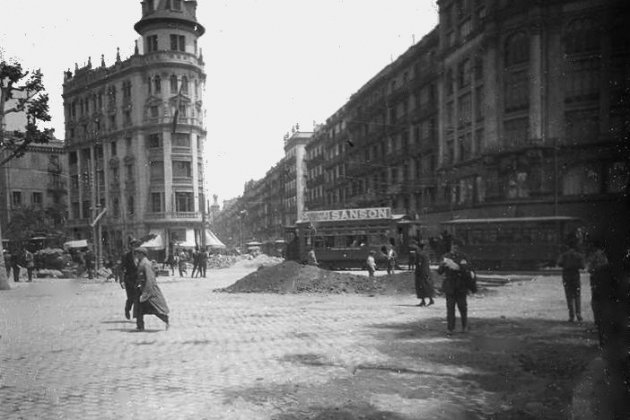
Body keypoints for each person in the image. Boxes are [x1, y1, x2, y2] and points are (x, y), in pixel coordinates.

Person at [437, 238, 474, 335]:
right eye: (453, 246)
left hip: (461, 285)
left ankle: (464, 326)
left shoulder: (464, 257)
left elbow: (469, 269)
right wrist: (443, 265)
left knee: (462, 307)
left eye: (456, 247)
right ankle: (450, 328)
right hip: (450, 286)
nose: (454, 248)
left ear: (459, 248)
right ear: (451, 247)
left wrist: (459, 267)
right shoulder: (445, 256)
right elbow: (440, 272)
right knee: (450, 308)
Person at [134, 247, 170, 331]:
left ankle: (165, 319)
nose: (136, 255)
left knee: (154, 307)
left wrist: (146, 292)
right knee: (139, 308)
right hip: (142, 288)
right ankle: (140, 326)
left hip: (148, 289)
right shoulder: (141, 262)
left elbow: (150, 278)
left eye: (138, 253)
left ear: (142, 254)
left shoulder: (146, 263)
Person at [586, 239, 613, 348]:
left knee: (599, 317)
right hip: (605, 290)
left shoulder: (594, 257)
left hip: (596, 287)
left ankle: (602, 342)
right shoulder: (605, 257)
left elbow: (589, 269)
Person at [557, 243, 585, 322]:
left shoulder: (564, 255)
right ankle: (578, 314)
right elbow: (583, 266)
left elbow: (559, 263)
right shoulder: (579, 255)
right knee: (577, 295)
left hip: (566, 276)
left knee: (569, 296)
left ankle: (571, 316)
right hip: (575, 276)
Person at [120, 239, 141, 320]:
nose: (135, 248)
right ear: (131, 246)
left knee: (138, 298)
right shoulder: (126, 256)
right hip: (129, 280)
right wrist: (121, 281)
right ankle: (127, 309)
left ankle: (138, 317)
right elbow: (122, 268)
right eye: (134, 246)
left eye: (137, 246)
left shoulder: (141, 255)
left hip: (138, 280)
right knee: (131, 298)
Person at [415, 241, 434, 307]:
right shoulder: (426, 254)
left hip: (421, 273)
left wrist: (418, 272)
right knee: (426, 286)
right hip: (427, 272)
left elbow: (419, 263)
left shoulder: (419, 254)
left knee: (421, 286)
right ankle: (426, 300)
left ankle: (426, 300)